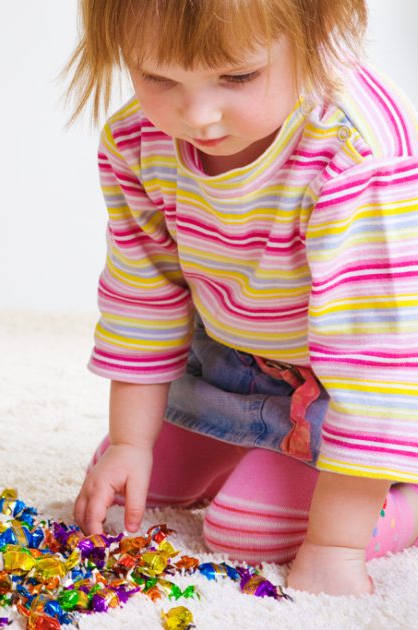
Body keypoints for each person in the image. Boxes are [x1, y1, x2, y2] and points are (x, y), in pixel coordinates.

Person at [65, 0, 418, 595]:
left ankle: (404, 493)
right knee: (123, 481)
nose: (198, 116)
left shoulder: (353, 153)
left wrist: (334, 545)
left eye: (236, 76)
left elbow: (377, 361)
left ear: (318, 28)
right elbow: (144, 292)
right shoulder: (137, 141)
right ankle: (244, 443)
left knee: (245, 529)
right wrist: (130, 442)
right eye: (157, 77)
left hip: (364, 385)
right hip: (233, 361)